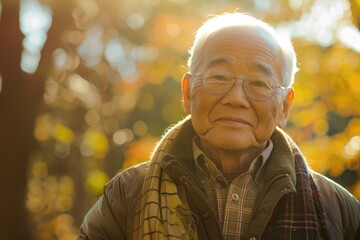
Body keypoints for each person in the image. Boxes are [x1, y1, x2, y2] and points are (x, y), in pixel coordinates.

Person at [78, 12, 360, 240]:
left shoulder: (340, 212)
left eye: (260, 84)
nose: (236, 99)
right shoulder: (126, 197)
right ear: (188, 93)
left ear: (284, 106)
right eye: (219, 77)